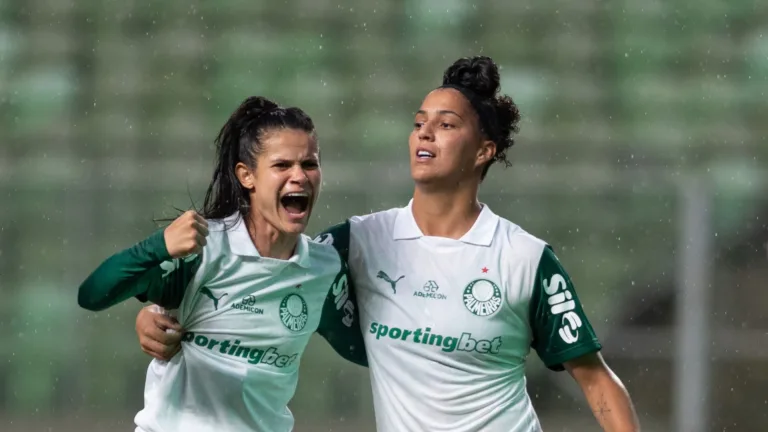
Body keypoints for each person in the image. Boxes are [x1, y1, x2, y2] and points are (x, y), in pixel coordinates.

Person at [135, 57, 640, 431]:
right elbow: (257, 273)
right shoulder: (359, 243)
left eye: (446, 125)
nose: (425, 133)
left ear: (484, 150)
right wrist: (159, 309)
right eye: (420, 121)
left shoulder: (525, 259)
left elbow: (595, 380)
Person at [77, 96, 365, 432]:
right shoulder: (203, 248)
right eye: (282, 165)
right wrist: (158, 247)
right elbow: (93, 293)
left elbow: (367, 347)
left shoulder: (324, 268)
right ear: (247, 176)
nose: (299, 176)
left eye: (310, 164)